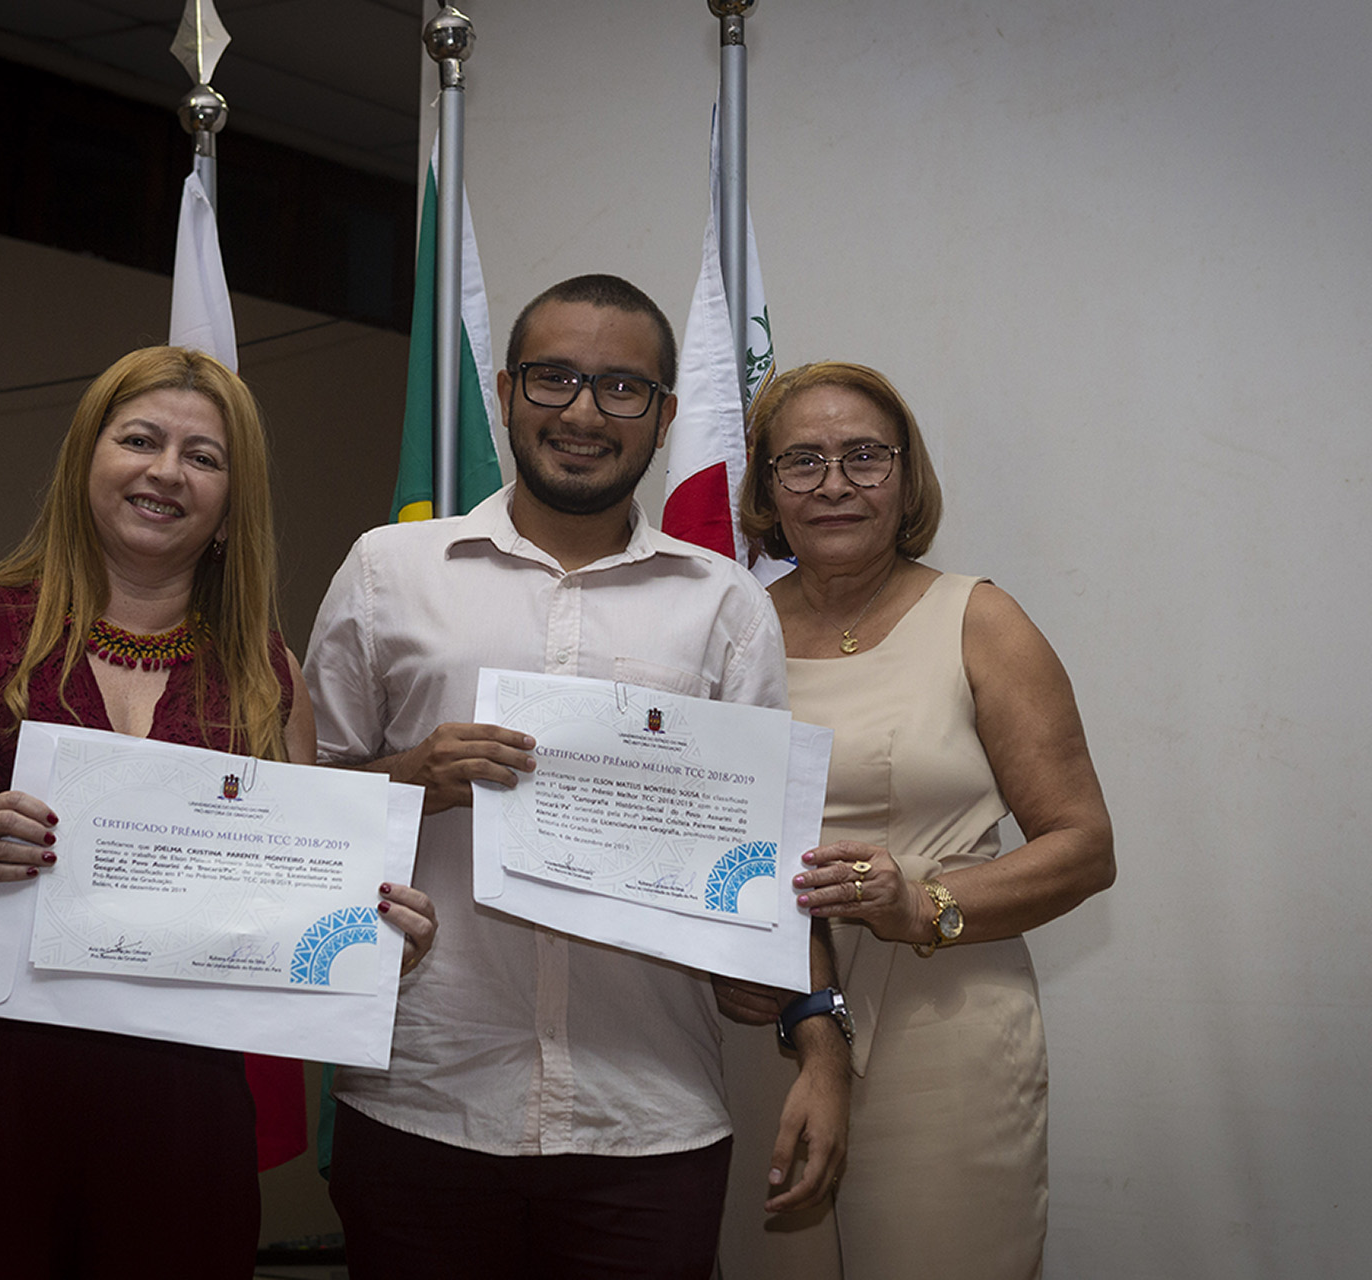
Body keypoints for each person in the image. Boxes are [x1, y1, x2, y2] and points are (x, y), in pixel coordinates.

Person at [0, 346, 436, 1280]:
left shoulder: (268, 677)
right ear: (87, 459)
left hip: (181, 1112)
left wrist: (375, 939)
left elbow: (286, 914)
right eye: (140, 440)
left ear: (231, 500)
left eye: (203, 456)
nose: (166, 472)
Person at [305, 275, 851, 1280]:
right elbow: (309, 814)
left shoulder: (726, 605)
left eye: (622, 387)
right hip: (424, 1099)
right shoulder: (388, 571)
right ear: (507, 391)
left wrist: (819, 1041)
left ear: (666, 416)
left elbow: (768, 857)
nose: (584, 412)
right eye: (553, 377)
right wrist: (413, 774)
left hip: (647, 1116)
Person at [716, 362, 1115, 1279]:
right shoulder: (729, 630)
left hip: (944, 1021)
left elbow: (1084, 848)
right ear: (767, 491)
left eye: (864, 456)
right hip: (765, 1028)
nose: (835, 484)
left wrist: (924, 903)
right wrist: (711, 959)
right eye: (802, 462)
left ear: (907, 477)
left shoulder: (980, 620)